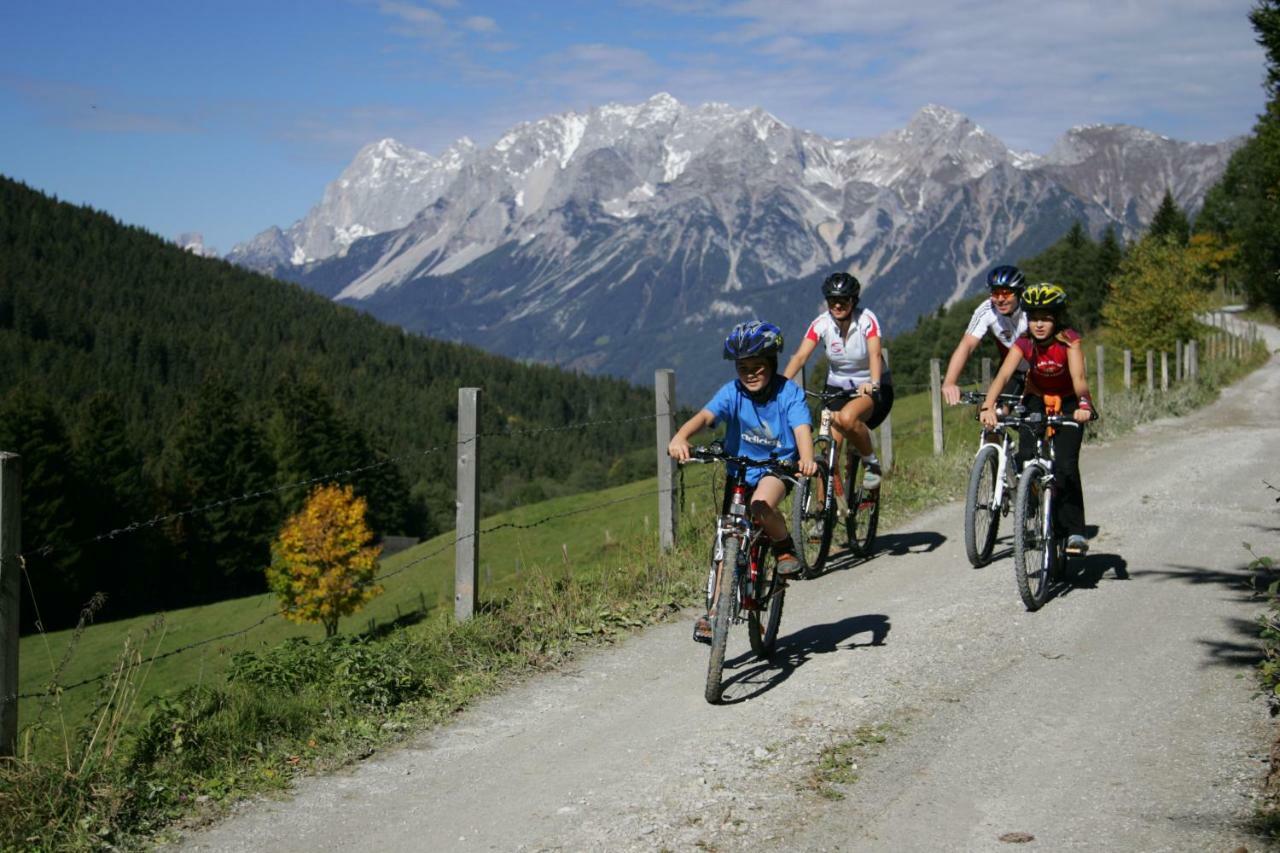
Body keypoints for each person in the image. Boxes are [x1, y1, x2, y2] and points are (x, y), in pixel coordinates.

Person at [668, 321, 817, 642]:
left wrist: (806, 457)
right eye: (742, 367)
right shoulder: (732, 392)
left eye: (757, 367)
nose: (750, 374)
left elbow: (802, 427)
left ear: (772, 364)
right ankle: (715, 612)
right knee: (728, 540)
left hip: (776, 467)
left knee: (760, 505)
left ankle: (784, 548)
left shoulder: (787, 392)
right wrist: (681, 435)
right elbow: (707, 417)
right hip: (738, 470)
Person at [979, 283, 1097, 555]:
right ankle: (1030, 502)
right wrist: (988, 406)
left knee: (1066, 466)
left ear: (1057, 319)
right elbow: (1004, 376)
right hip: (1035, 398)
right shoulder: (1024, 342)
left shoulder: (1069, 340)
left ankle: (1074, 531)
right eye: (1033, 318)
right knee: (1027, 455)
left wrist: (1083, 404)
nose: (1039, 324)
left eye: (1045, 318)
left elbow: (1079, 379)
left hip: (1069, 401)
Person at [782, 271, 893, 489]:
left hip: (870, 387)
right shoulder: (821, 323)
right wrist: (781, 385)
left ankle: (872, 464)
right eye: (832, 300)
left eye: (842, 300)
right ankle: (824, 516)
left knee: (847, 417)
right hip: (836, 389)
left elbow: (874, 354)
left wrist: (874, 383)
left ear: (853, 301)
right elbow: (801, 356)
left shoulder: (866, 320)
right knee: (828, 454)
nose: (837, 305)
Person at [942, 265, 1028, 406]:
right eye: (995, 293)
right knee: (995, 412)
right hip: (1012, 371)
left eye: (1006, 293)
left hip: (1042, 369)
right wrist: (950, 382)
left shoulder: (1031, 309)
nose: (1000, 299)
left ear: (1019, 292)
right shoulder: (987, 310)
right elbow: (967, 345)